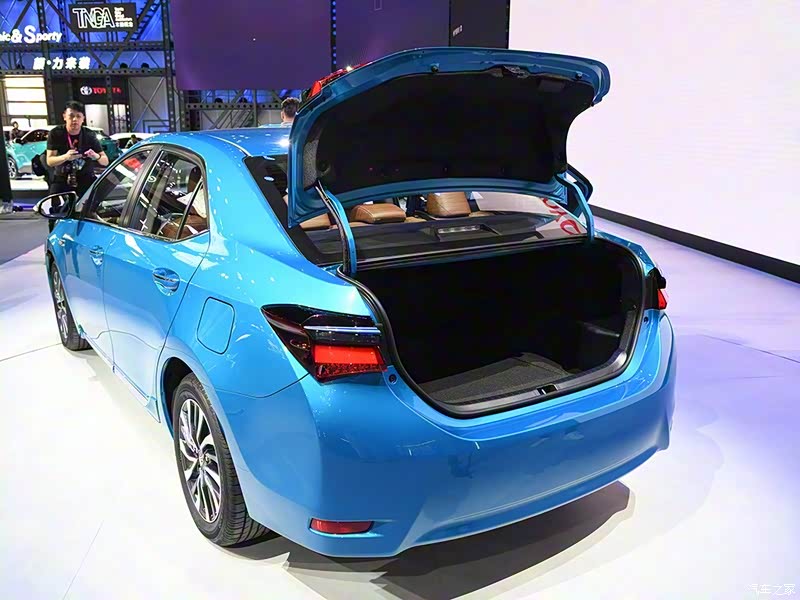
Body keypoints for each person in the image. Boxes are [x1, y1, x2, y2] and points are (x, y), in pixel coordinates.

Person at [45, 101, 109, 230]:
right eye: (71, 116)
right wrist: (65, 157)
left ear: (83, 119)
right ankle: (54, 233)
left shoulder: (89, 135)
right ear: (64, 116)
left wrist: (95, 156)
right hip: (62, 177)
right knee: (55, 211)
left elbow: (105, 161)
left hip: (85, 177)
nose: (75, 120)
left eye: (78, 116)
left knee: (94, 208)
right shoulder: (56, 133)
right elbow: (50, 161)